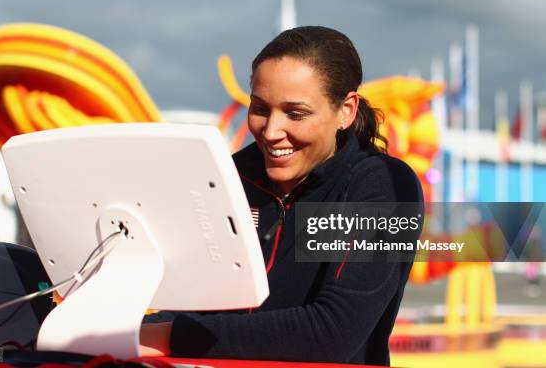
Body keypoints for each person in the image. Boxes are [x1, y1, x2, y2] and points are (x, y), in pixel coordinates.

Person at [141, 26, 423, 365]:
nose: (271, 132)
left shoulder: (383, 187)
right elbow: (192, 304)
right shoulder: (228, 178)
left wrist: (168, 335)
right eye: (260, 108)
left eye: (296, 113)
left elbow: (331, 334)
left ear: (345, 110)